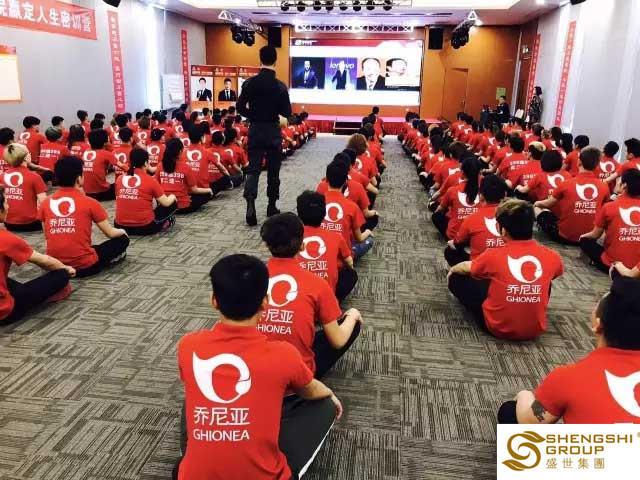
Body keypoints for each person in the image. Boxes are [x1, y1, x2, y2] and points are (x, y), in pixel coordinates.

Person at [174, 254, 342, 480]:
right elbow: (311, 390)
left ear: (214, 300)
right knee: (326, 405)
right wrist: (330, 393)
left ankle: (198, 461)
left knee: (192, 394)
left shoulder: (188, 346)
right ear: (265, 301)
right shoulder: (283, 354)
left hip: (194, 476)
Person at [498, 276, 640, 424]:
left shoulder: (569, 377)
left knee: (509, 412)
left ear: (597, 325)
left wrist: (524, 395)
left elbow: (528, 421)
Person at [260, 213, 362, 379]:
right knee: (350, 324)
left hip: (256, 369)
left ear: (266, 245)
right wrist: (353, 315)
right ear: (302, 246)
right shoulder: (317, 284)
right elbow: (338, 341)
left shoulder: (252, 279)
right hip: (299, 377)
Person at [448, 198, 563, 340]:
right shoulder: (552, 256)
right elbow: (556, 273)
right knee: (547, 280)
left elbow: (468, 268)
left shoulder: (493, 255)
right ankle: (527, 312)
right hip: (535, 330)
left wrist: (452, 270)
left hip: (497, 328)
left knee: (457, 278)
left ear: (503, 230)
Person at [38, 156, 130, 278]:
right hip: (85, 265)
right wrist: (123, 231)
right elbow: (110, 233)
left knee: (89, 248)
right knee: (122, 239)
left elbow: (47, 235)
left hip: (54, 263)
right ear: (79, 178)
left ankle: (66, 270)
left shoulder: (45, 203)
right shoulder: (90, 202)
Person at [0, 186, 74, 323]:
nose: (8, 206)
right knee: (61, 274)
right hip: (5, 312)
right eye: (6, 202)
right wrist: (66, 268)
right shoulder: (6, 239)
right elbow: (44, 261)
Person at [237, 46, 292, 226]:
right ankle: (271, 206)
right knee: (273, 171)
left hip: (255, 130)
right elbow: (287, 112)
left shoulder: (249, 83)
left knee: (253, 169)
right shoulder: (280, 86)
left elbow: (239, 107)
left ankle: (250, 205)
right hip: (273, 132)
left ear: (260, 59)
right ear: (275, 61)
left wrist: (253, 115)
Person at [535, 147, 609, 244]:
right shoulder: (604, 186)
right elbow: (604, 209)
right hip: (589, 239)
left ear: (579, 162)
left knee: (538, 208)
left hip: (564, 237)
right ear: (597, 165)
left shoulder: (566, 183)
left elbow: (548, 204)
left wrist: (536, 203)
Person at [297, 191, 358, 302]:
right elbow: (349, 262)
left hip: (300, 297)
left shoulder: (292, 238)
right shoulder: (336, 236)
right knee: (351, 274)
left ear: (299, 213)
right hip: (327, 298)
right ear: (324, 213)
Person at [579, 169, 640, 273]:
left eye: (619, 180)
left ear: (624, 185)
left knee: (585, 241)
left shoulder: (610, 206)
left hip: (612, 266)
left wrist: (582, 237)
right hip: (637, 270)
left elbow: (595, 235)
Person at [444, 174, 507, 267]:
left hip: (479, 267)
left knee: (450, 251)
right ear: (505, 195)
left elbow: (457, 242)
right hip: (505, 265)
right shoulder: (514, 215)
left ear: (481, 195)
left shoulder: (472, 218)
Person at [115, 148, 177, 235]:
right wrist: (173, 196)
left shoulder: (120, 178)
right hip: (145, 227)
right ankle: (164, 223)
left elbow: (118, 198)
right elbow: (166, 203)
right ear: (145, 163)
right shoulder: (150, 180)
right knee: (172, 203)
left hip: (120, 226)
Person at [321, 161, 374, 261]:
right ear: (345, 181)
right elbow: (359, 238)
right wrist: (368, 232)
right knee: (369, 240)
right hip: (344, 256)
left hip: (323, 251)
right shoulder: (352, 206)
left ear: (326, 179)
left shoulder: (317, 203)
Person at [156, 138, 212, 214]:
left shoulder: (160, 166)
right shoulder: (186, 167)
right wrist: (209, 190)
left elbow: (157, 185)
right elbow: (194, 190)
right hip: (183, 207)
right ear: (180, 152)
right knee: (205, 195)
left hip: (166, 205)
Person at [1, 143, 47, 231]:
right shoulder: (34, 177)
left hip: (8, 223)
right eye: (29, 153)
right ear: (26, 158)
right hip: (31, 223)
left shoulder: (2, 176)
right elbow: (44, 203)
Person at [82, 129, 122, 201]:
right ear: (105, 142)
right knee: (121, 185)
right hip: (102, 192)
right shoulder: (106, 154)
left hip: (87, 193)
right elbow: (122, 166)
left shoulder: (86, 152)